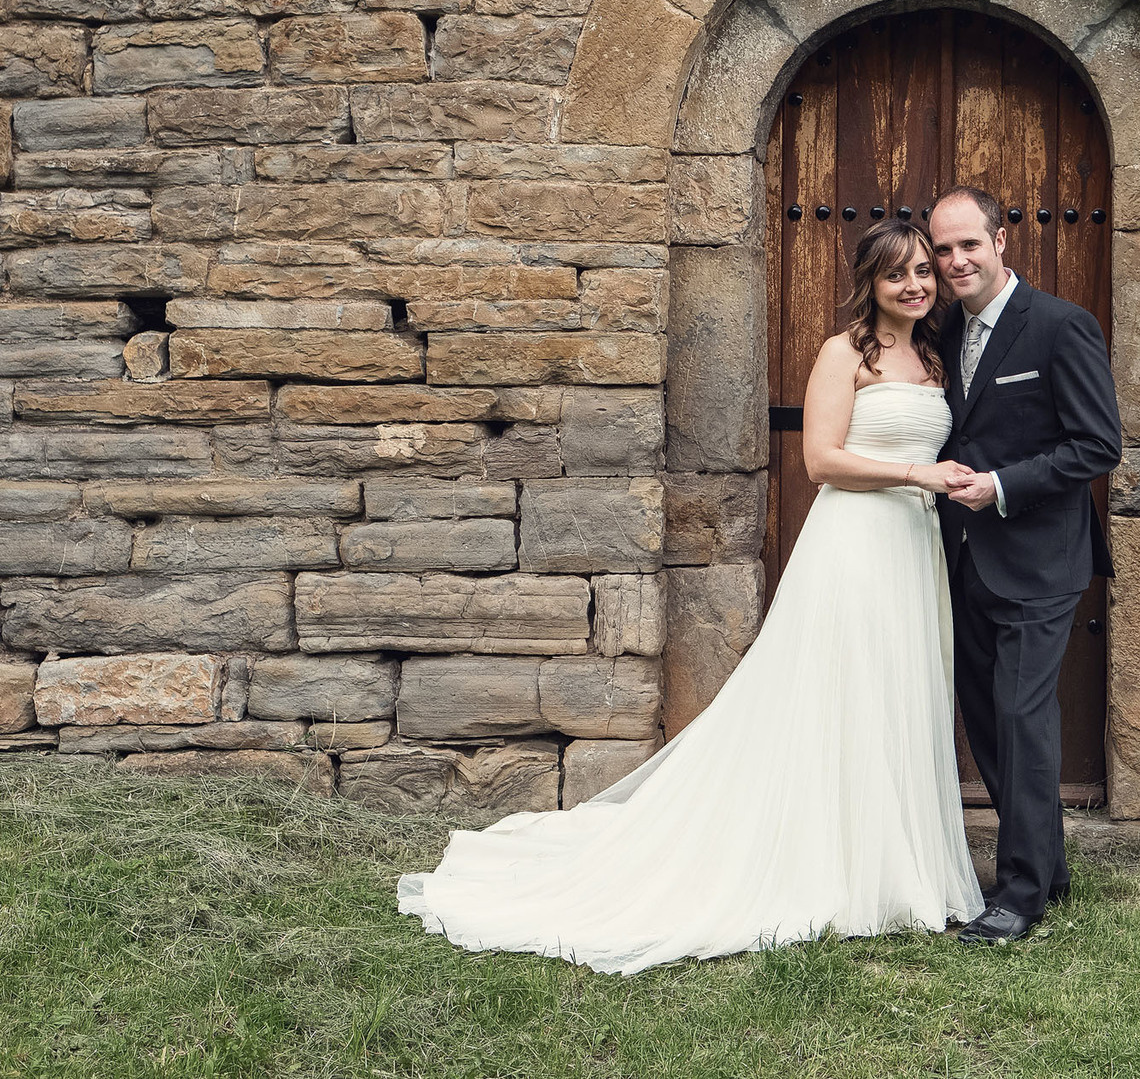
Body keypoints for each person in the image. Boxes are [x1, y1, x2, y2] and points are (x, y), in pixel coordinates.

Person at [397, 219, 985, 972]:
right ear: (869, 281)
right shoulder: (844, 353)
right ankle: (829, 864)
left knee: (898, 691)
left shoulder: (935, 355)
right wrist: (917, 475)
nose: (915, 285)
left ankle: (897, 864)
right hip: (856, 542)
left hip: (913, 544)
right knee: (843, 689)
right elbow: (820, 459)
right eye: (897, 273)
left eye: (923, 273)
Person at [927, 185, 1125, 947]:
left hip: (1040, 559)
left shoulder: (1060, 326)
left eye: (967, 244)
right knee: (986, 719)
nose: (954, 261)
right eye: (943, 250)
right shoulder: (946, 330)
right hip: (963, 558)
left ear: (1001, 240)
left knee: (1020, 715)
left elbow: (1096, 446)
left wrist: (1002, 486)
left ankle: (1018, 895)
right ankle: (1048, 865)